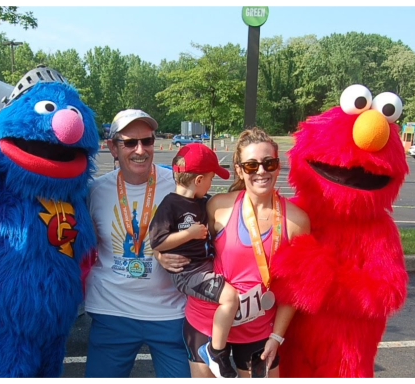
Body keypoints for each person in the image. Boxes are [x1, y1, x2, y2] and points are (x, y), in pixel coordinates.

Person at [157, 127, 311, 378]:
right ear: (239, 169)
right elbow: (179, 237)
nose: (261, 171)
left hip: (258, 330)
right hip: (206, 323)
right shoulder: (218, 206)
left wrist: (277, 336)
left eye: (268, 163)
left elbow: (295, 288)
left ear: (278, 166)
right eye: (251, 165)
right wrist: (160, 255)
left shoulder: (296, 221)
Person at [84, 109, 190, 378]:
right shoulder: (94, 192)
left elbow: (201, 237)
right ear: (112, 148)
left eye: (148, 141)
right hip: (112, 310)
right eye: (130, 142)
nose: (140, 150)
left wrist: (172, 251)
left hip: (169, 312)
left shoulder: (177, 187)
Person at [149, 143, 240, 378]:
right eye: (210, 179)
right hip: (187, 273)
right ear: (198, 180)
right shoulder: (169, 205)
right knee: (230, 297)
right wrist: (189, 234)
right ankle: (216, 352)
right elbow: (157, 242)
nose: (211, 184)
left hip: (202, 266)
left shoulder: (202, 201)